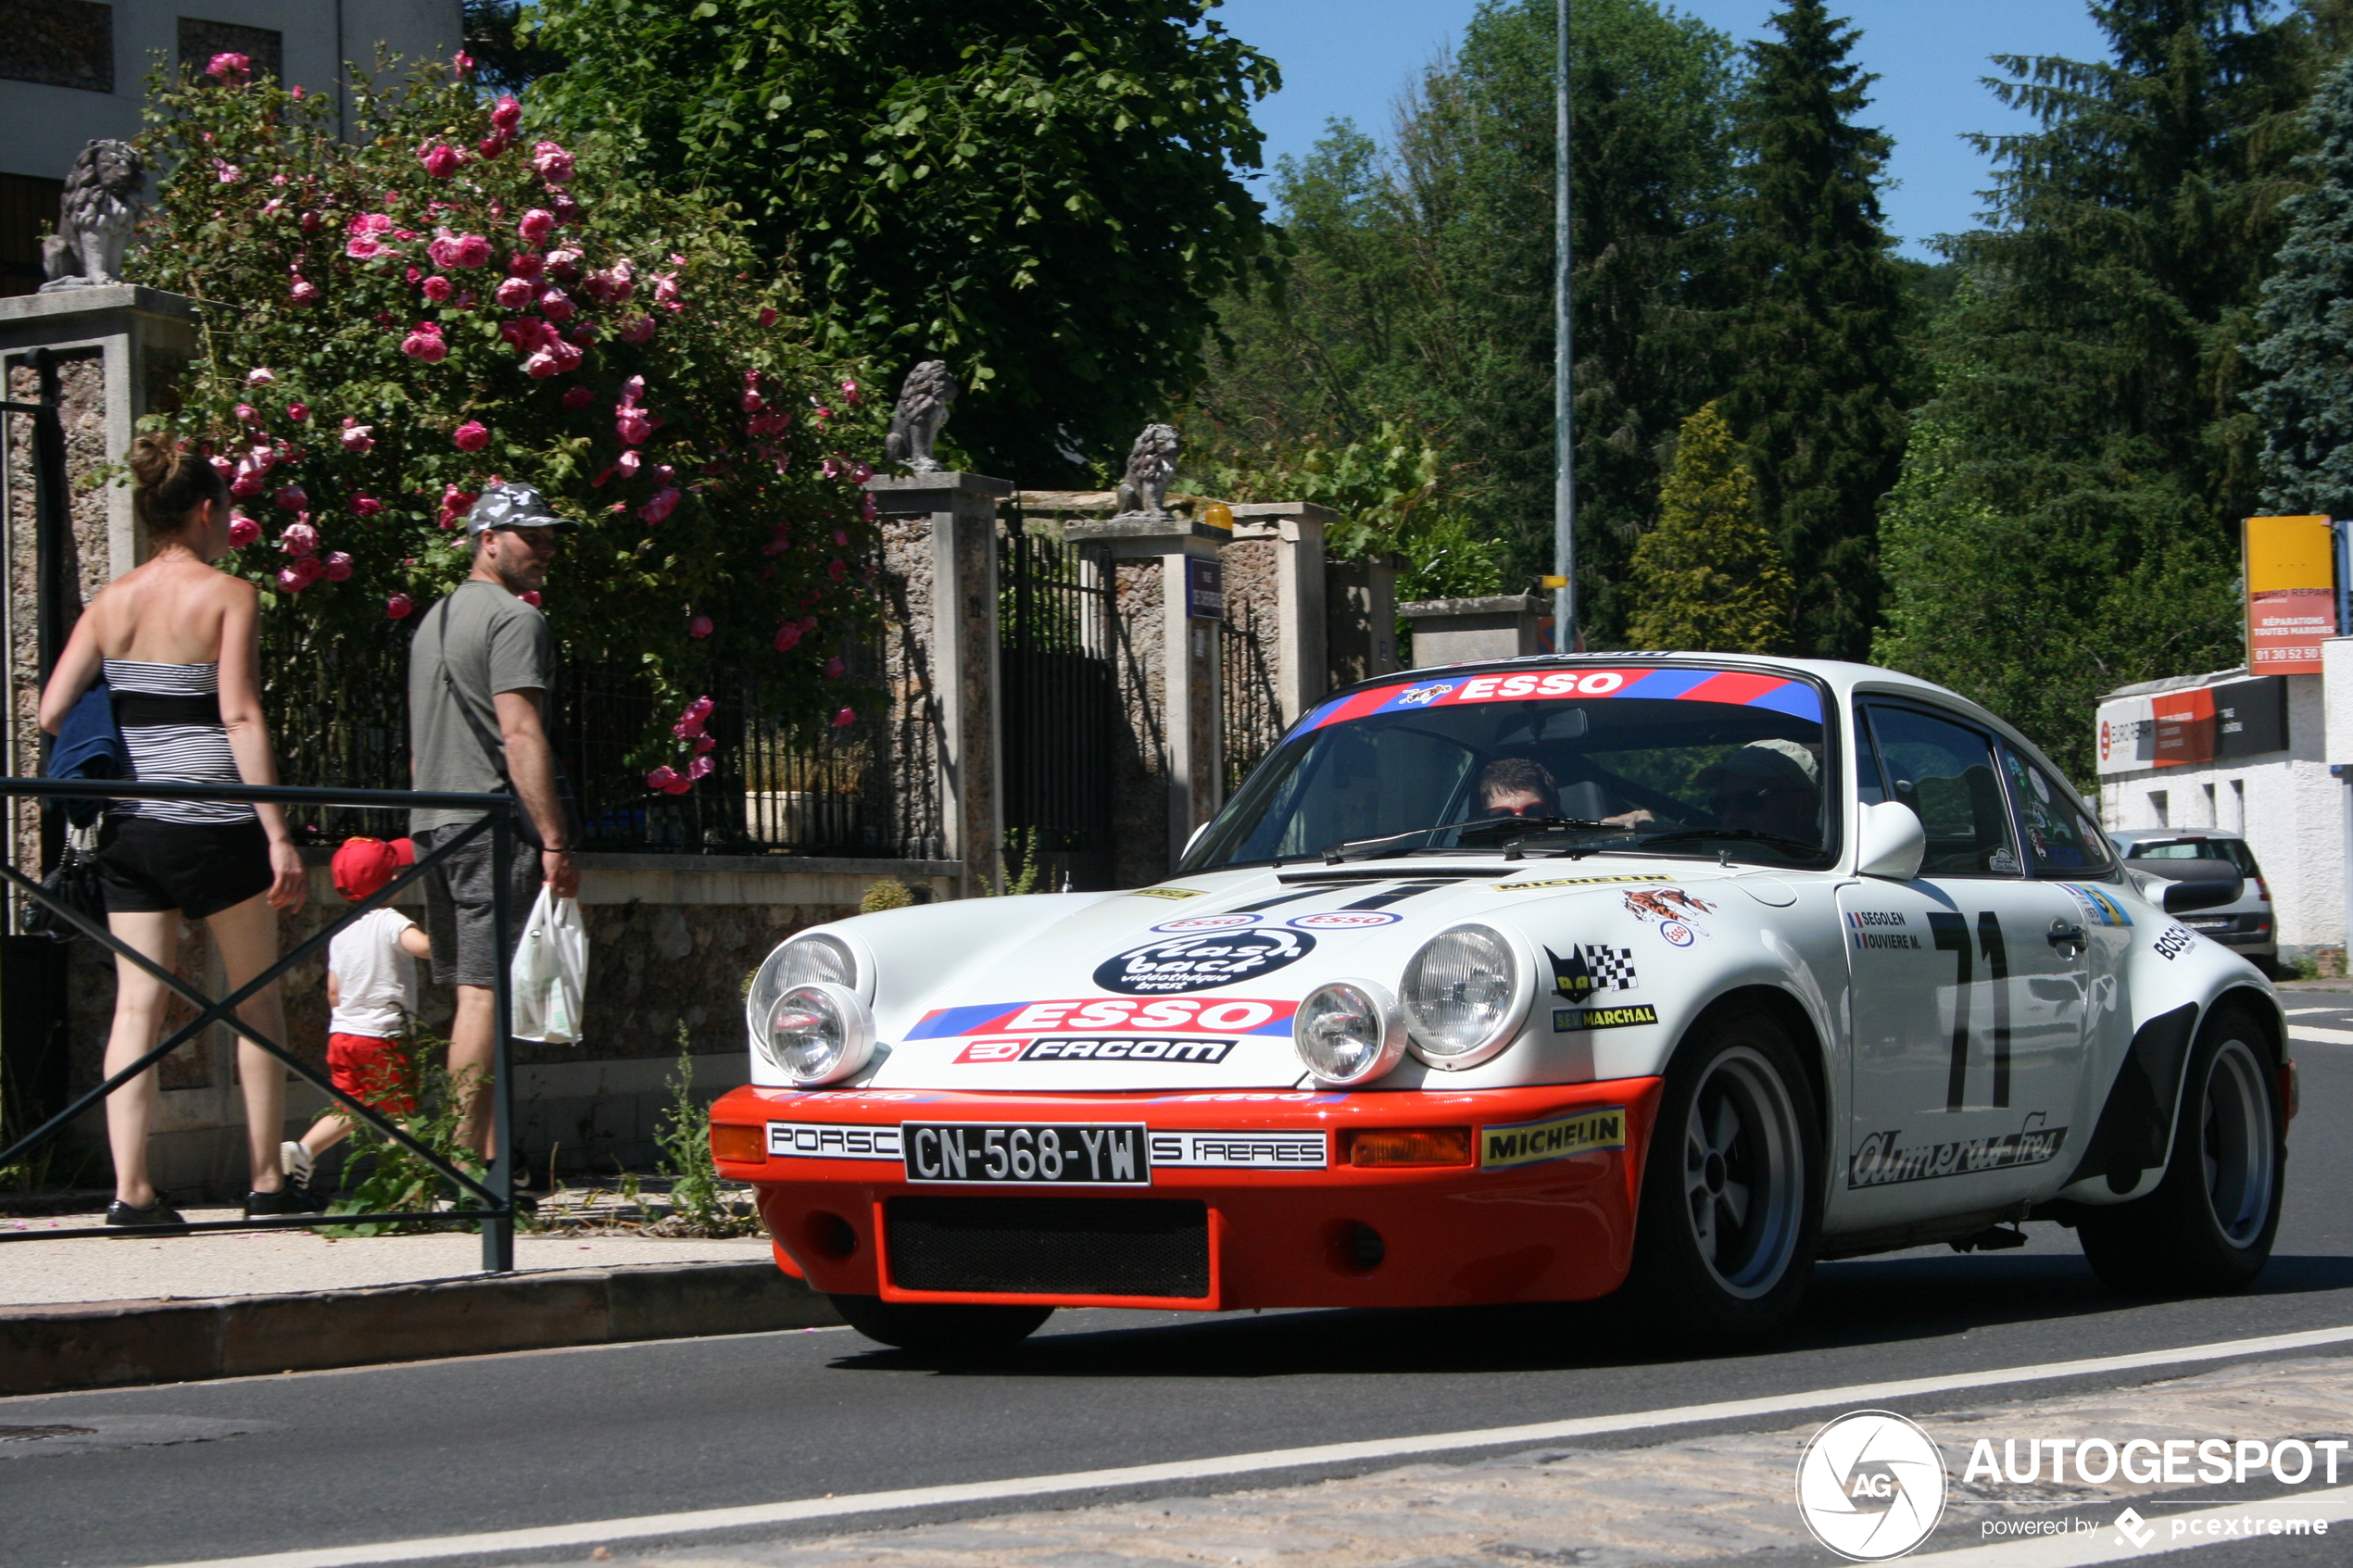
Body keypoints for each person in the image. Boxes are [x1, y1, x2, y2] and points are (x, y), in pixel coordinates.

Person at [36, 433, 309, 1226]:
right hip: (216, 822)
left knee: (136, 1008)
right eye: (226, 509)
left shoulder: (110, 601)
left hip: (133, 827)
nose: (230, 523)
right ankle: (265, 1182)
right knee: (256, 1003)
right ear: (203, 509)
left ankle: (133, 1192)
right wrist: (278, 834)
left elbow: (53, 711)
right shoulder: (229, 593)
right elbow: (239, 712)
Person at [407, 482, 580, 1158]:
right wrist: (555, 838)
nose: (545, 547)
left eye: (548, 536)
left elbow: (424, 739)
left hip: (434, 820)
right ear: (488, 540)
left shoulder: (436, 618)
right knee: (485, 995)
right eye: (530, 535)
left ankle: (482, 1158)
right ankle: (464, 1169)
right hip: (488, 822)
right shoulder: (515, 619)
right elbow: (520, 733)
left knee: (470, 993)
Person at [280, 836, 433, 1199]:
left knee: (351, 1106)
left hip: (345, 1035)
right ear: (393, 881)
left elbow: (333, 991)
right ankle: (410, 1190)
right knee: (402, 1113)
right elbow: (424, 948)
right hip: (386, 1035)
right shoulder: (390, 921)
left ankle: (305, 1150)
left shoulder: (341, 931)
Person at [1696, 738, 1823, 845]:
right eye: (1720, 803)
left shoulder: (1836, 868)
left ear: (1805, 805)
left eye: (1748, 801)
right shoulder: (1707, 862)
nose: (1730, 815)